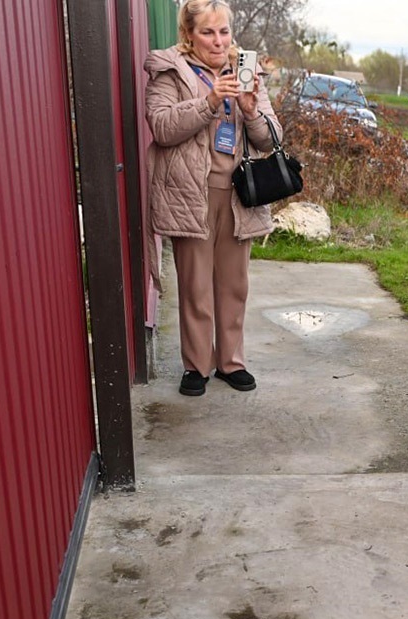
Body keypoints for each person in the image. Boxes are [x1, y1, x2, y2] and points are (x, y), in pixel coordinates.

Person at [145, 0, 281, 396]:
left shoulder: (247, 71)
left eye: (223, 31)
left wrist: (252, 111)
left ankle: (230, 362)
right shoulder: (170, 70)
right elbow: (163, 126)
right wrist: (208, 102)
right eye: (207, 32)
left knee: (234, 284)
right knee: (196, 284)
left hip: (239, 196)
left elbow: (273, 137)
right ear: (189, 34)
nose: (218, 41)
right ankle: (197, 366)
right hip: (190, 194)